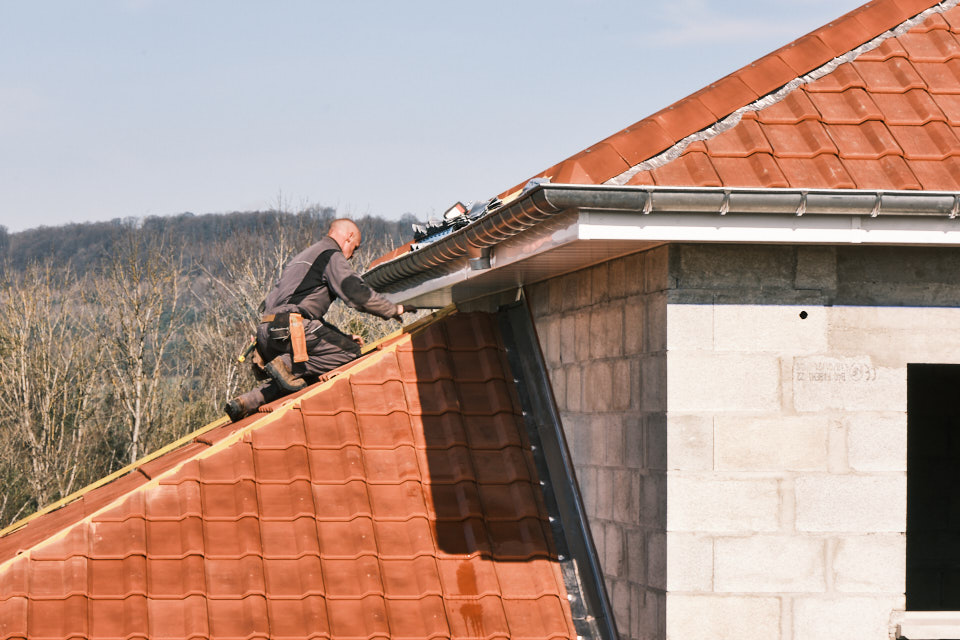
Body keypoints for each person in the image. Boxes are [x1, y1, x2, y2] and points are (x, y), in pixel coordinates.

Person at [224, 218, 409, 421]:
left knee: (298, 377)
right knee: (350, 351)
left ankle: (248, 401)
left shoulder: (301, 258)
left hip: (266, 335)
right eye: (354, 249)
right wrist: (393, 309)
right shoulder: (330, 255)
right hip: (290, 329)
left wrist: (342, 336)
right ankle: (287, 364)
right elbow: (355, 293)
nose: (352, 256)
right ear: (348, 237)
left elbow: (302, 313)